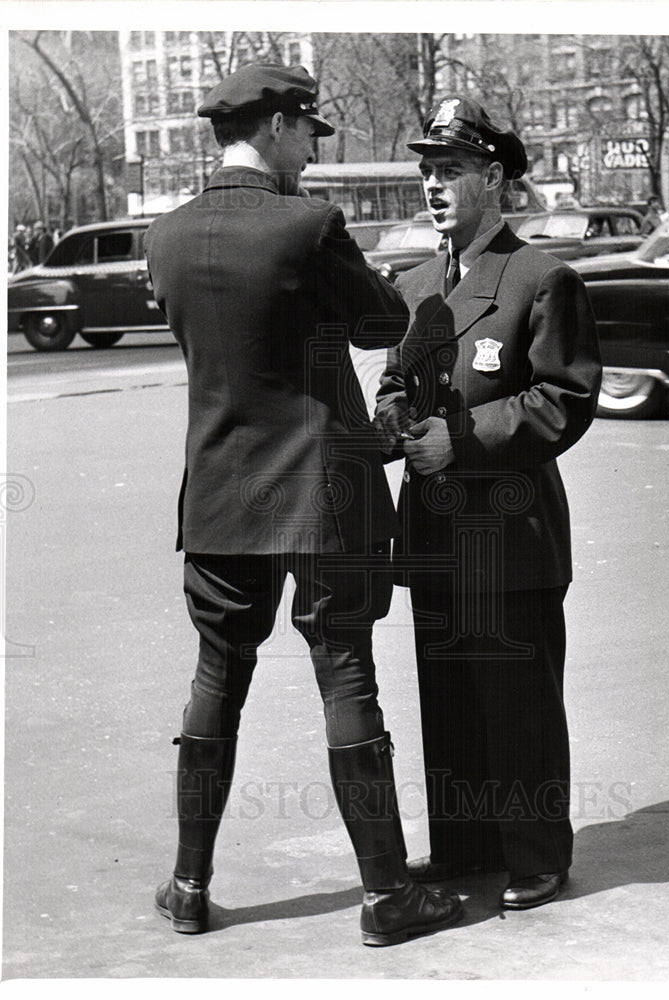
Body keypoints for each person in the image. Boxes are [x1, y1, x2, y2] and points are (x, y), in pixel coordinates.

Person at [143, 63, 461, 947]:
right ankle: (386, 895)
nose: (310, 160)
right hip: (325, 487)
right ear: (281, 128)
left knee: (217, 675)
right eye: (307, 139)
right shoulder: (308, 225)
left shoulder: (164, 237)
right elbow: (382, 323)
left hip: (219, 491)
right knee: (345, 672)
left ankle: (188, 885)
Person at [374, 95, 602, 910]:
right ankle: (467, 847)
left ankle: (537, 852)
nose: (433, 186)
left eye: (451, 171)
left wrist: (458, 440)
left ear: (494, 178)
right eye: (427, 172)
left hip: (511, 533)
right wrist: (398, 418)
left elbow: (562, 400)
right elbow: (396, 381)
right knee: (452, 698)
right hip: (436, 531)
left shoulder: (541, 277)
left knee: (520, 706)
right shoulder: (414, 285)